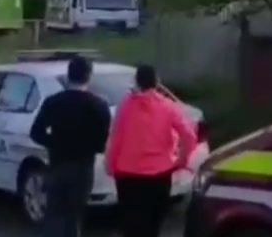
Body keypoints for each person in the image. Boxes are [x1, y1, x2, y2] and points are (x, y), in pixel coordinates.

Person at [105, 64, 197, 237]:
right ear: (157, 82)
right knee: (153, 226)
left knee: (131, 226)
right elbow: (189, 136)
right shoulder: (168, 107)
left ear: (137, 81)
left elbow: (116, 137)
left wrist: (110, 164)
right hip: (159, 175)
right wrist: (182, 159)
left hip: (127, 175)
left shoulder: (125, 106)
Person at [29, 56, 112, 237]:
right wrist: (91, 146)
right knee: (74, 216)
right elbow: (103, 141)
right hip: (83, 167)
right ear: (88, 76)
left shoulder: (53, 102)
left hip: (58, 164)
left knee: (54, 214)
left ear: (68, 76)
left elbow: (36, 132)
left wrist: (54, 142)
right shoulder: (99, 105)